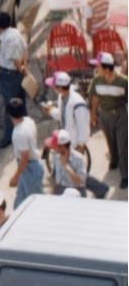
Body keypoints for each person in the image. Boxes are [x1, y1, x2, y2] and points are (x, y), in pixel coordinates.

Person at [88, 52, 128, 189]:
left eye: (98, 66)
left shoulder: (124, 81)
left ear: (106, 68)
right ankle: (114, 160)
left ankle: (125, 175)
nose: (96, 68)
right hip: (104, 115)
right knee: (111, 141)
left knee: (123, 145)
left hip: (121, 114)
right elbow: (95, 98)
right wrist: (93, 115)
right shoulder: (96, 80)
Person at [0, 12, 28, 149]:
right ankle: (24, 129)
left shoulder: (8, 39)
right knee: (21, 102)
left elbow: (14, 58)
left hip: (9, 75)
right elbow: (25, 49)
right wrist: (24, 66)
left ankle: (8, 137)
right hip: (16, 74)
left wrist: (20, 68)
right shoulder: (15, 32)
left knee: (10, 106)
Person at [7, 98, 43, 207]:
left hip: (30, 169)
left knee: (33, 205)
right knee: (19, 203)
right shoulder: (28, 121)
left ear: (9, 114)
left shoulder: (19, 133)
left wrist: (15, 177)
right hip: (28, 168)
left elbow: (24, 158)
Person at [47, 129, 87, 195]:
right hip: (60, 191)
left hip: (76, 193)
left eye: (56, 146)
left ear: (62, 146)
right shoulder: (56, 156)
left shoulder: (79, 159)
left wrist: (66, 166)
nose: (54, 148)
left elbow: (80, 181)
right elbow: (54, 178)